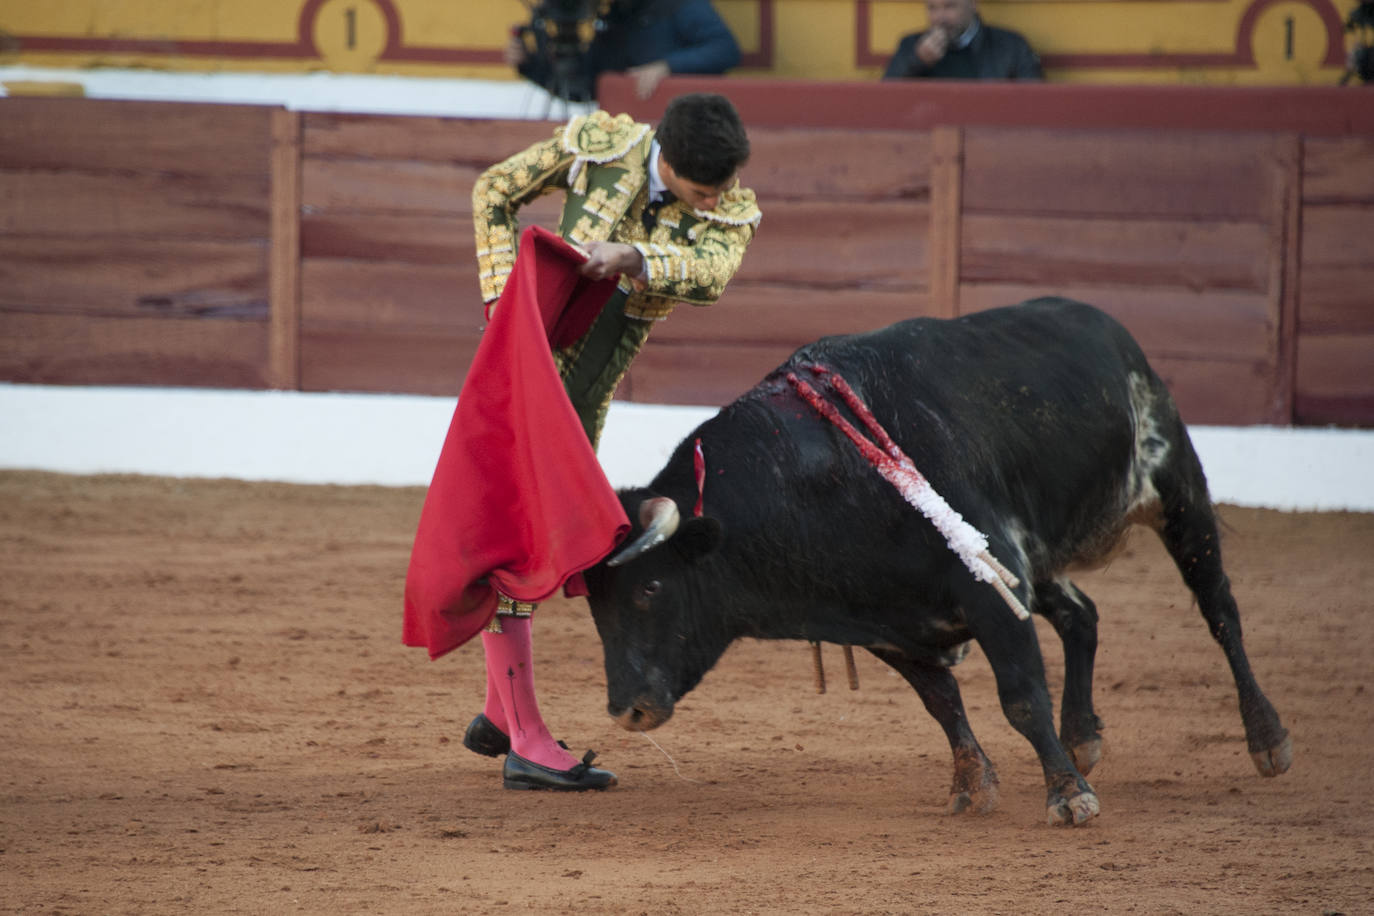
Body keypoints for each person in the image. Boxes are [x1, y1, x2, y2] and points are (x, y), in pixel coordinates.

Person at [463, 92, 761, 790]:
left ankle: (501, 715)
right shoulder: (605, 147)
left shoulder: (731, 202)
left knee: (531, 538)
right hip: (527, 370)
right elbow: (493, 192)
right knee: (522, 545)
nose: (714, 205)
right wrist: (506, 305)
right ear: (666, 158)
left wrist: (630, 254)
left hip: (585, 393)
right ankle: (528, 742)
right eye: (699, 193)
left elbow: (710, 275)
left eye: (720, 192)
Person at [507, 0, 741, 101]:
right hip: (627, 143)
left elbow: (725, 49)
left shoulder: (678, 4)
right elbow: (583, 88)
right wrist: (530, 66)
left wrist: (667, 67)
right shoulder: (613, 18)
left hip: (686, 136)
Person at [882, 0, 1041, 81]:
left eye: (949, 6)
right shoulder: (911, 46)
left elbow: (1035, 102)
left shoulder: (1011, 46)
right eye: (932, 8)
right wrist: (918, 61)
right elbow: (885, 99)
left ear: (973, 4)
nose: (940, 18)